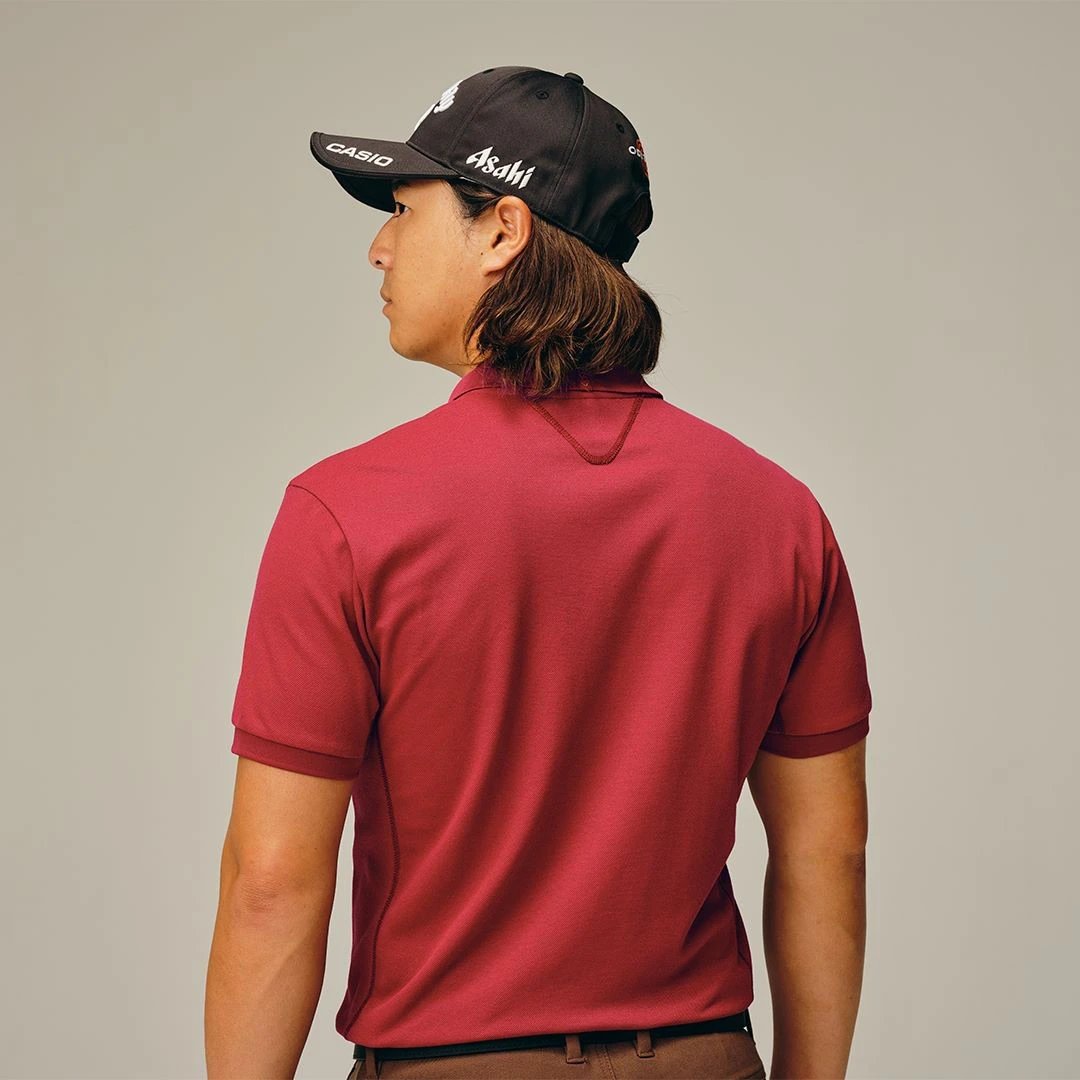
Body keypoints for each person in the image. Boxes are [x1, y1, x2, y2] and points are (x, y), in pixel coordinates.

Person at [204, 66, 871, 1080]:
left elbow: (270, 884)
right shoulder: (781, 516)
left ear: (503, 231)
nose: (379, 246)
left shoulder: (347, 514)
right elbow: (829, 853)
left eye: (404, 208)